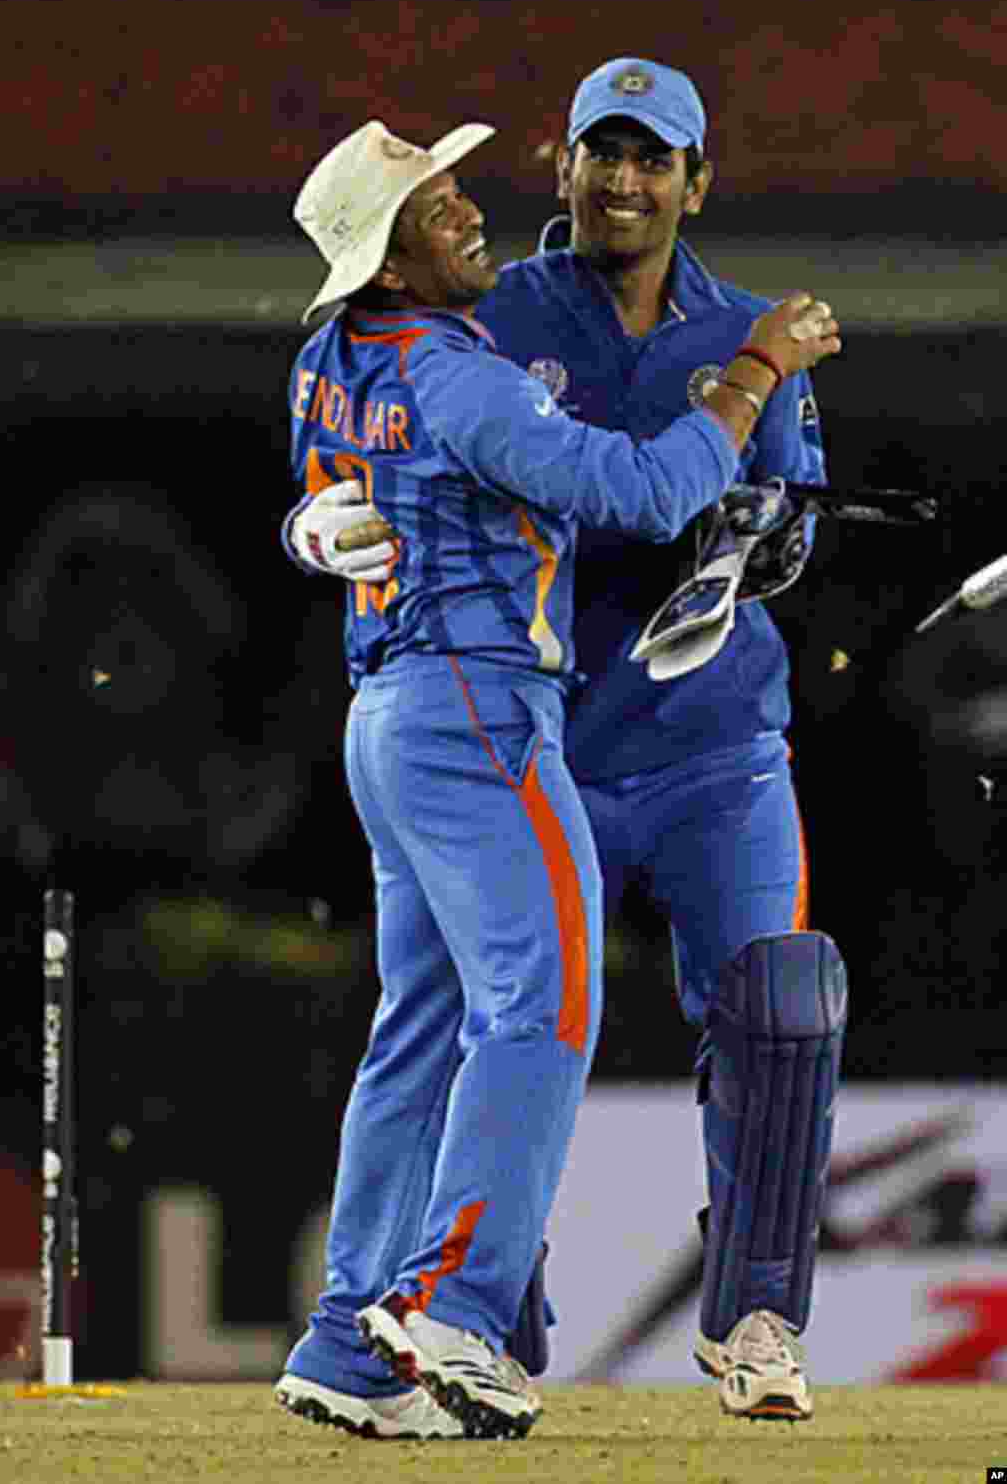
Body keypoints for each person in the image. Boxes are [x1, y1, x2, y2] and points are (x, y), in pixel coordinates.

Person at [272, 116, 840, 1441]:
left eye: (460, 190)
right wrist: (754, 372)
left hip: (389, 718)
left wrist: (314, 523)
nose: (467, 213)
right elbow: (641, 493)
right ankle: (459, 1309)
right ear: (390, 266)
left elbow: (333, 480)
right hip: (483, 708)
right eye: (434, 210)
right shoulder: (462, 370)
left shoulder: (330, 353)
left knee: (418, 1028)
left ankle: (347, 1341)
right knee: (543, 1011)